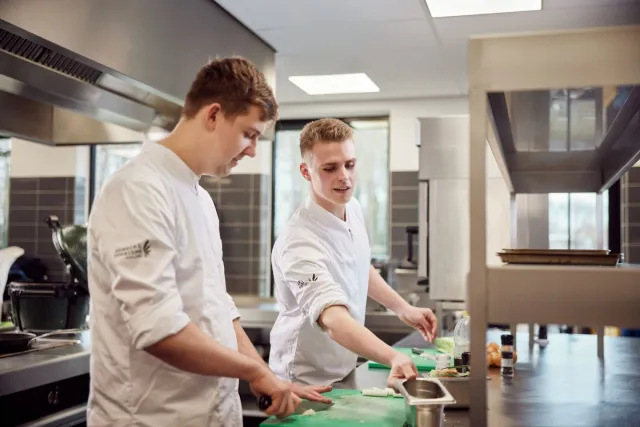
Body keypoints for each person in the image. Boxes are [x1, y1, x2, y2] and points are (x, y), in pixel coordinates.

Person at [86, 57, 330, 427]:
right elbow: (158, 330)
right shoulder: (137, 188)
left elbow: (219, 308)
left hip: (214, 414)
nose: (251, 150)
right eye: (249, 134)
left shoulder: (200, 199)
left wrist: (265, 374)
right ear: (213, 115)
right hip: (152, 418)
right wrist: (253, 370)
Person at [268, 118, 438, 387]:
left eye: (349, 164)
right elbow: (333, 320)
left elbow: (359, 266)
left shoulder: (353, 208)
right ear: (305, 171)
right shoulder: (298, 242)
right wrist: (392, 356)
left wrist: (403, 309)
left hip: (344, 367)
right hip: (304, 379)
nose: (344, 177)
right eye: (330, 168)